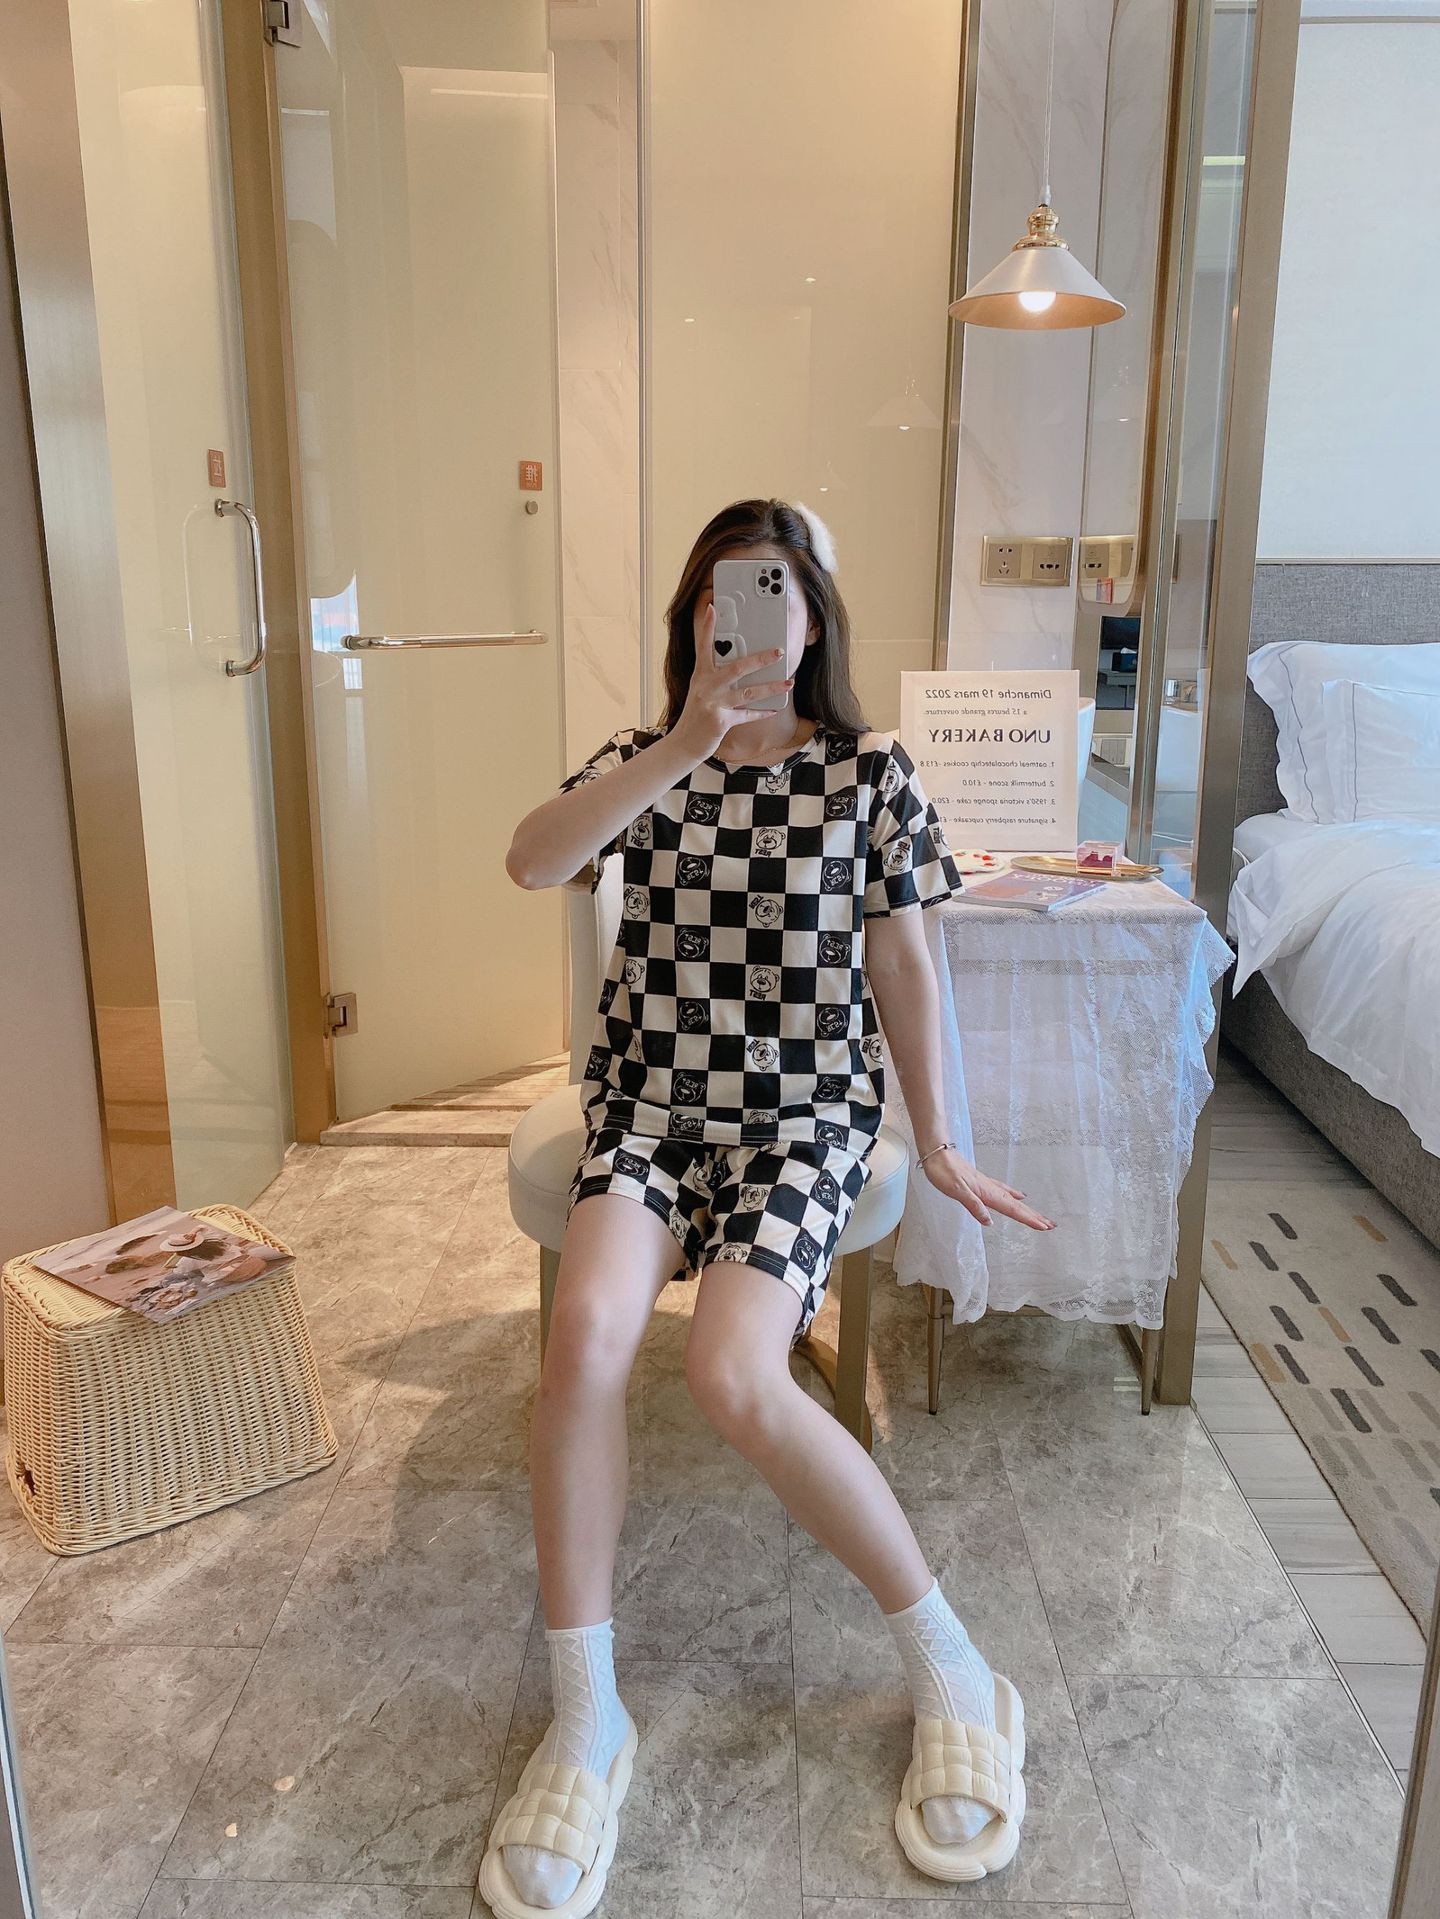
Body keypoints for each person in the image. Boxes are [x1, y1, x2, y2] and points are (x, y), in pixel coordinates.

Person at [478, 498, 1057, 1919]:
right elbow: (533, 861)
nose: (749, 619)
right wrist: (684, 743)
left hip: (802, 1122)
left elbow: (907, 967)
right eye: (722, 598)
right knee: (584, 1342)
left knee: (734, 1374)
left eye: (778, 591)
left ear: (814, 620)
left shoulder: (871, 772)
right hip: (651, 1116)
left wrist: (939, 1138)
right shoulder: (644, 763)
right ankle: (587, 1718)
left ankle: (956, 1668)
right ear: (694, 622)